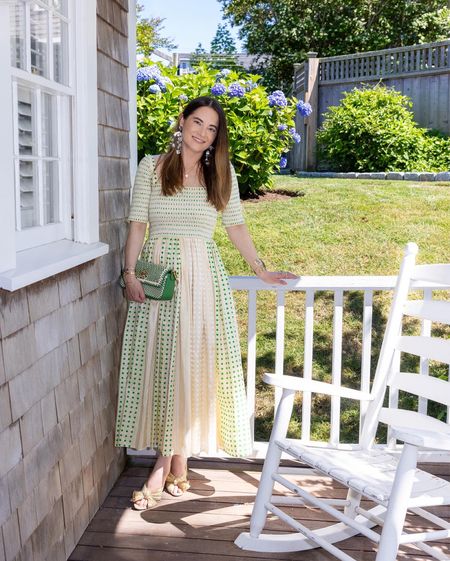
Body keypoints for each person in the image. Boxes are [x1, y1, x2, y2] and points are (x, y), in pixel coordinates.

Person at [114, 96, 297, 510]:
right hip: (161, 278)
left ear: (217, 136)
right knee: (166, 365)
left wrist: (261, 269)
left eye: (212, 128)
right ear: (182, 122)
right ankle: (179, 460)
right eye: (197, 122)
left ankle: (162, 466)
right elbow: (138, 223)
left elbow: (235, 225)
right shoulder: (152, 166)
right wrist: (128, 274)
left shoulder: (222, 171)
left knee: (192, 366)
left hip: (203, 279)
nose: (202, 132)